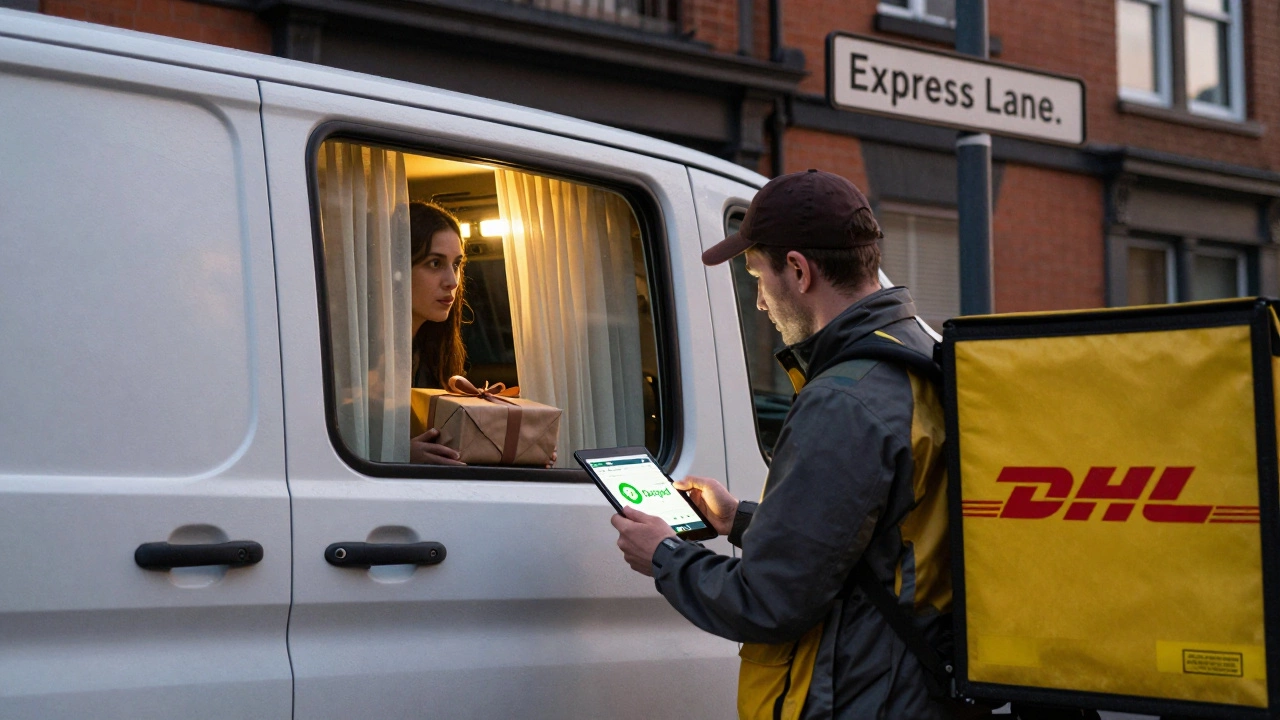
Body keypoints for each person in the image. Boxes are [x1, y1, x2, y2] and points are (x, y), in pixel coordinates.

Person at [611, 170, 960, 719]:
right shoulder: (923, 354)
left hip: (858, 698)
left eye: (756, 277)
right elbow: (881, 536)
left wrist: (665, 555)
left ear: (798, 271)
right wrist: (740, 520)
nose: (758, 304)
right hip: (914, 692)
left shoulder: (844, 400)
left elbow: (768, 600)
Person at [408, 201, 467, 465]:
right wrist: (396, 456)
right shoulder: (352, 360)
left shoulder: (433, 357)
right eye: (434, 263)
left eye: (456, 265)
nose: (452, 282)